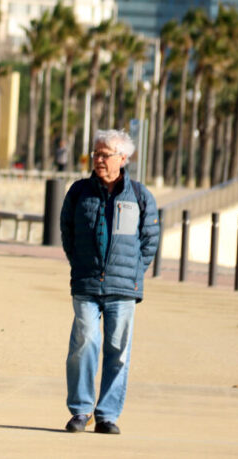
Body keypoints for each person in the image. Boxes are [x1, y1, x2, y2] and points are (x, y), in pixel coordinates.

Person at [59, 129, 159, 435]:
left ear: (123, 158)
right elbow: (67, 232)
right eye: (96, 154)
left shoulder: (140, 195)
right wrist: (80, 264)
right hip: (87, 284)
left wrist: (133, 273)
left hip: (123, 288)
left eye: (105, 155)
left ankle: (107, 415)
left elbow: (150, 240)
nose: (99, 160)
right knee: (85, 341)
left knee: (118, 350)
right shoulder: (79, 192)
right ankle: (81, 410)